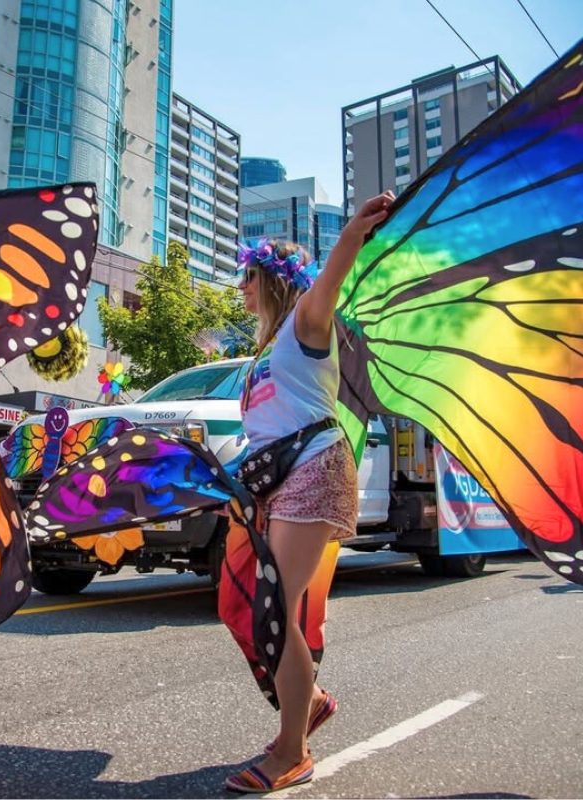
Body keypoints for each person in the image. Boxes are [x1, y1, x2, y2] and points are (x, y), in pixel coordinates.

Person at [222, 194, 393, 794]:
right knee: (244, 603)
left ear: (271, 280)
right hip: (277, 479)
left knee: (277, 609)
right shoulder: (261, 356)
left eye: (247, 278)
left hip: (317, 469)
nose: (240, 290)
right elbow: (265, 432)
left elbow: (332, 275)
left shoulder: (307, 322)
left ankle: (292, 751)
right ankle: (310, 700)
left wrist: (352, 231)